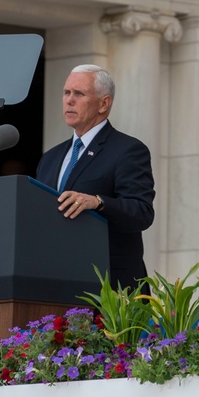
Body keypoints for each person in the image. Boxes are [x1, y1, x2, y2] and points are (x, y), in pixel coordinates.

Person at [36, 64, 155, 291]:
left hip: (110, 288)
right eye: (66, 92)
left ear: (104, 104)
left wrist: (98, 202)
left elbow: (141, 213)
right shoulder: (50, 158)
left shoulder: (127, 150)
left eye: (79, 94)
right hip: (56, 283)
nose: (69, 100)